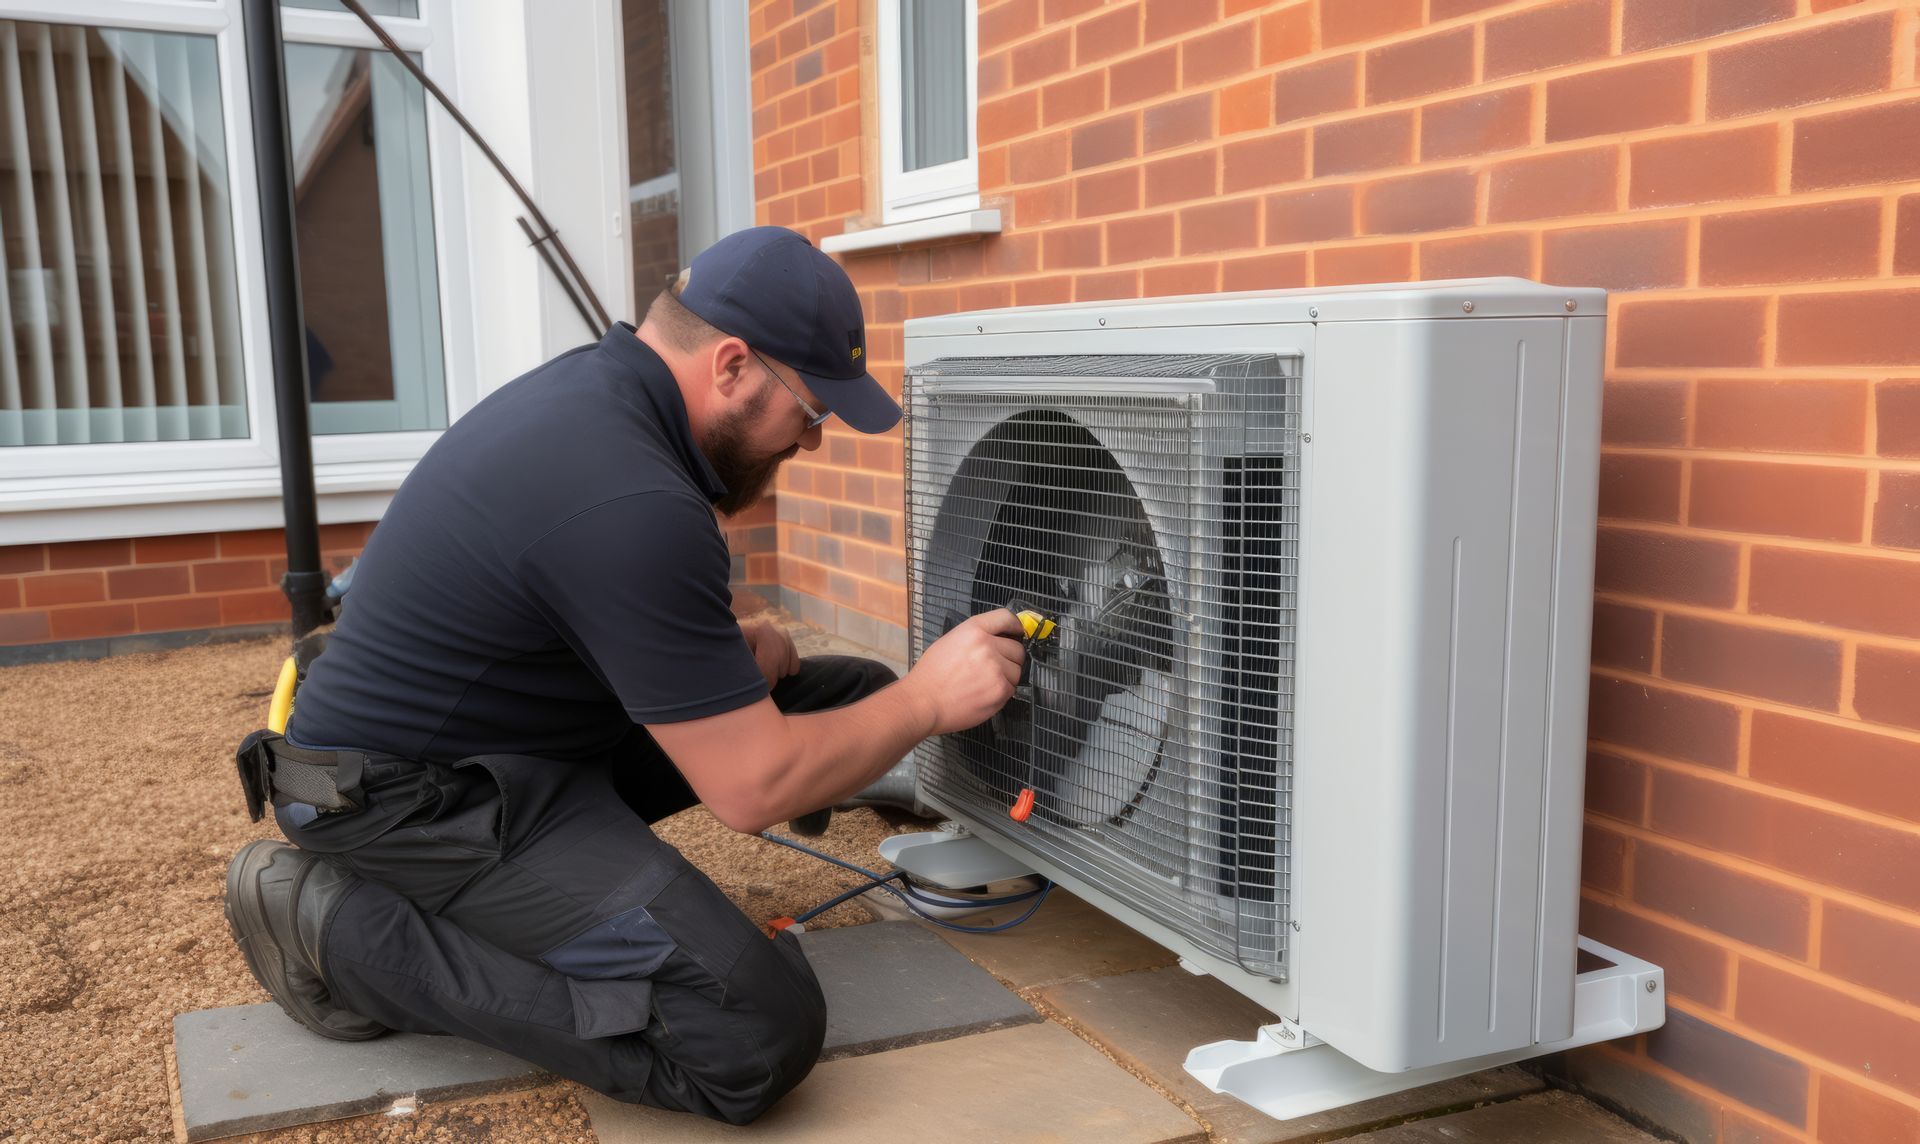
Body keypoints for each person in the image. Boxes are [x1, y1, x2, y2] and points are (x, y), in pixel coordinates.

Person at [223, 226, 1026, 1125]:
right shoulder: (631, 496)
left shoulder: (605, 400)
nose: (813, 444)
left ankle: (985, 823)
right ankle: (336, 925)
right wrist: (927, 699)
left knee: (850, 693)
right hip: (406, 801)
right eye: (811, 412)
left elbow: (586, 583)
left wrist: (731, 653)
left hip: (503, 735)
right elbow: (752, 788)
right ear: (731, 366)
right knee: (751, 1035)